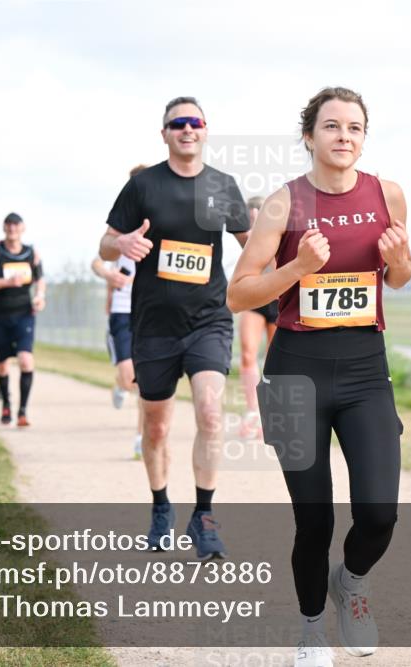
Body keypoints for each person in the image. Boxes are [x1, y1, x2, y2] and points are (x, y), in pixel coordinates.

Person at [228, 87, 411, 667]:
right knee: (314, 519)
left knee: (380, 511)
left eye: (355, 127)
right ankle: (311, 631)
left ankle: (351, 583)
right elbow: (239, 293)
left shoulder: (388, 194)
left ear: (364, 136)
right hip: (294, 375)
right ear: (309, 136)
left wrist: (400, 259)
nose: (344, 136)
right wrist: (298, 267)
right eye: (331, 126)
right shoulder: (283, 204)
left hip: (364, 372)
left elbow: (399, 277)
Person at [98, 96, 249, 559]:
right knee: (157, 429)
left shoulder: (223, 186)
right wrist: (120, 241)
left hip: (208, 320)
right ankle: (161, 505)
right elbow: (105, 245)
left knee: (208, 411)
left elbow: (252, 243)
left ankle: (204, 516)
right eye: (177, 123)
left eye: (195, 122)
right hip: (154, 327)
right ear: (163, 133)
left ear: (206, 130)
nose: (187, 129)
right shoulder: (144, 186)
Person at [92, 164, 147, 459]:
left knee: (143, 380)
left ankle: (141, 436)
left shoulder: (161, 222)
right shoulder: (122, 225)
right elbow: (97, 261)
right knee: (128, 376)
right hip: (122, 311)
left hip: (148, 311)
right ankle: (118, 384)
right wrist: (108, 277)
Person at [0, 212, 45, 427]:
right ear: (4, 228)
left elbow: (40, 279)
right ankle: (6, 404)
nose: (13, 229)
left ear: (23, 228)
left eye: (16, 225)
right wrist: (6, 282)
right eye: (9, 225)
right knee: (2, 364)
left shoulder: (31, 252)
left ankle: (22, 411)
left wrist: (40, 296)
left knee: (25, 359)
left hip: (24, 314)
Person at [236, 196, 278, 439]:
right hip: (254, 299)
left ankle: (270, 413)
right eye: (251, 213)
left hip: (277, 299)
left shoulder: (278, 233)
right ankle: (252, 410)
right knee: (248, 353)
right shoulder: (247, 236)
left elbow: (275, 262)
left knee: (273, 361)